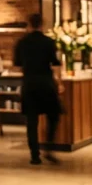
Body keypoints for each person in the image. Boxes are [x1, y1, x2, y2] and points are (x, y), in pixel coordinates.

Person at [13, 13, 62, 165]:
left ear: (29, 24)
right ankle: (49, 147)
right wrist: (59, 83)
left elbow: (17, 64)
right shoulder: (49, 42)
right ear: (42, 24)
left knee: (31, 121)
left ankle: (34, 155)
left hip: (29, 84)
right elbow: (55, 64)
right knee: (53, 116)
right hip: (46, 83)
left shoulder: (22, 42)